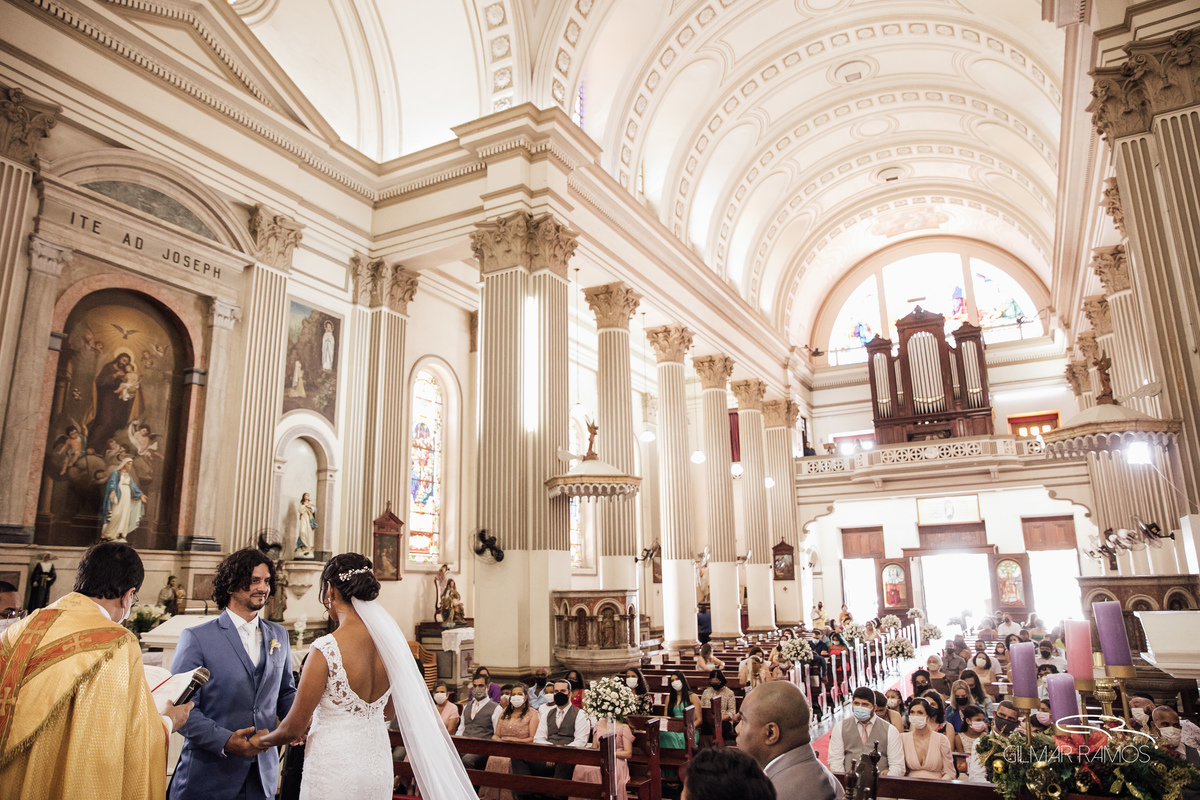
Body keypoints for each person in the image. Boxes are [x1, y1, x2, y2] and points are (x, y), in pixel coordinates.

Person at [255, 552, 476, 800]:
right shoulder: (391, 647)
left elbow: (292, 729)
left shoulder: (326, 648)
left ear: (330, 590)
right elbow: (388, 713)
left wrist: (259, 742)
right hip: (376, 766)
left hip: (333, 768)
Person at [0, 542, 191, 800]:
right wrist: (168, 722)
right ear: (128, 595)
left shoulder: (20, 629)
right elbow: (123, 739)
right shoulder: (117, 643)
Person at [171, 548, 296, 800]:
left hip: (263, 778)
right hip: (209, 776)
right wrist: (226, 741)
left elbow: (285, 693)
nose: (263, 588)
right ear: (230, 585)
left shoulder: (279, 635)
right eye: (254, 580)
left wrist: (301, 721)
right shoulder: (197, 638)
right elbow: (179, 707)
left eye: (267, 581)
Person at [735, 681, 844, 800]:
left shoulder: (779, 792)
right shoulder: (812, 771)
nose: (736, 729)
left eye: (742, 720)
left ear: (771, 733)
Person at [516, 679, 590, 791]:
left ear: (569, 693)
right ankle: (526, 795)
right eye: (556, 691)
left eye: (563, 691)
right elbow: (538, 738)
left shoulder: (580, 714)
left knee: (564, 763)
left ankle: (556, 797)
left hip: (567, 756)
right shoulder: (547, 714)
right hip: (547, 755)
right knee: (518, 757)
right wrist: (551, 752)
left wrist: (559, 753)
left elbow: (580, 742)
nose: (559, 694)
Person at [571, 683, 636, 800]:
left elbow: (628, 753)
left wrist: (610, 753)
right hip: (600, 757)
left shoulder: (623, 727)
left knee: (604, 769)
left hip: (617, 760)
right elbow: (595, 746)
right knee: (581, 767)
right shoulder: (598, 724)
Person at [827, 687, 905, 778]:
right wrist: (845, 782)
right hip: (849, 783)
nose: (860, 707)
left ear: (874, 707)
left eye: (865, 704)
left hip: (880, 784)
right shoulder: (840, 727)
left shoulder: (890, 730)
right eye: (856, 703)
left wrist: (886, 777)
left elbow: (898, 765)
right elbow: (835, 761)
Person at [479, 683, 538, 800]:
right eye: (513, 694)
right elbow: (496, 734)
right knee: (494, 758)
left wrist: (515, 740)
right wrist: (498, 741)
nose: (516, 697)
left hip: (521, 750)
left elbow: (532, 738)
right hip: (502, 748)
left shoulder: (533, 714)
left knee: (506, 761)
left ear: (525, 697)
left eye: (519, 694)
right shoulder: (505, 712)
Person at [901, 697, 955, 780]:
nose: (916, 716)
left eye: (920, 713)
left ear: (928, 717)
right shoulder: (902, 739)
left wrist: (937, 787)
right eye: (912, 712)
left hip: (937, 786)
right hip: (911, 786)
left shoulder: (941, 740)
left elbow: (950, 772)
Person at [457, 672, 503, 770]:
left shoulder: (496, 708)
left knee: (467, 760)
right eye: (475, 686)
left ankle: (472, 785)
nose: (477, 689)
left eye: (481, 686)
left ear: (487, 687)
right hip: (465, 746)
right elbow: (461, 729)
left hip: (482, 748)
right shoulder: (467, 706)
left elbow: (497, 733)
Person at [965, 702, 1020, 783]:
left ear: (1017, 723)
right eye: (1002, 715)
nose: (1005, 720)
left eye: (1011, 718)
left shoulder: (1022, 742)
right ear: (994, 714)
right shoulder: (981, 743)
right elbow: (976, 776)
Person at [661, 669, 701, 750]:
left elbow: (699, 720)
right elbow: (666, 717)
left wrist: (687, 728)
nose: (675, 682)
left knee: (680, 737)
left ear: (683, 680)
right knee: (663, 734)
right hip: (673, 729)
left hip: (689, 729)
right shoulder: (669, 698)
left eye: (677, 679)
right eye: (672, 681)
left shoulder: (693, 697)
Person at [700, 669, 738, 739]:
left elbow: (732, 712)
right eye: (712, 683)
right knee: (704, 727)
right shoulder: (706, 692)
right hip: (709, 721)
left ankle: (718, 745)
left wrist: (719, 718)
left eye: (716, 683)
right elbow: (702, 707)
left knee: (721, 727)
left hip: (723, 721)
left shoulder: (729, 693)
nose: (715, 685)